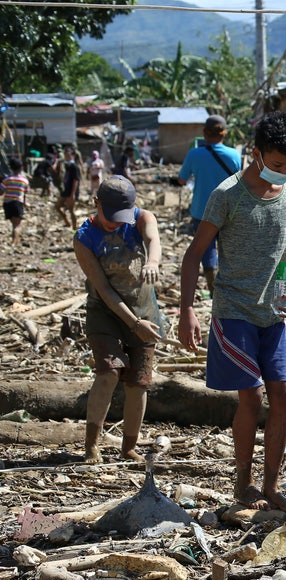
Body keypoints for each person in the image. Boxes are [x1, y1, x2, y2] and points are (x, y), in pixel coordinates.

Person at [178, 111, 286, 517]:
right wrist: (186, 311)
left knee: (284, 395)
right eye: (276, 164)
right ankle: (243, 480)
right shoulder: (227, 194)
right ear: (256, 154)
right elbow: (193, 255)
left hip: (275, 314)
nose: (284, 172)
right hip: (234, 310)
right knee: (251, 398)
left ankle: (271, 485)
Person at [73, 176, 163, 463]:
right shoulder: (84, 238)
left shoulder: (142, 219)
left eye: (120, 218)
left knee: (139, 381)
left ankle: (129, 447)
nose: (115, 223)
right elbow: (104, 289)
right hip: (105, 312)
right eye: (109, 217)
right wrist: (133, 323)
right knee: (109, 372)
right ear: (96, 204)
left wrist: (152, 261)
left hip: (144, 309)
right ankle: (91, 445)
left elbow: (154, 239)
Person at [176, 115, 241, 291]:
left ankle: (213, 288)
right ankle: (230, 287)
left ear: (204, 133)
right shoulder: (234, 154)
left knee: (207, 250)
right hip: (229, 211)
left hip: (201, 211)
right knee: (228, 250)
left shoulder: (194, 154)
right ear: (224, 133)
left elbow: (182, 180)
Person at [3, 158, 30, 246]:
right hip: (18, 203)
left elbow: (1, 191)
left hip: (7, 203)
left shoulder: (7, 179)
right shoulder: (24, 180)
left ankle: (15, 240)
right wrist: (25, 203)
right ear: (21, 168)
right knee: (17, 225)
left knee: (13, 223)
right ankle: (14, 242)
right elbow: (25, 193)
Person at [55, 144, 82, 230]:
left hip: (71, 192)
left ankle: (75, 227)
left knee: (71, 210)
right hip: (66, 190)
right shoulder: (67, 165)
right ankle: (67, 222)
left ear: (73, 155)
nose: (66, 155)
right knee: (57, 206)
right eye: (65, 153)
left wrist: (73, 194)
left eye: (68, 153)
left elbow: (76, 180)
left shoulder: (74, 166)